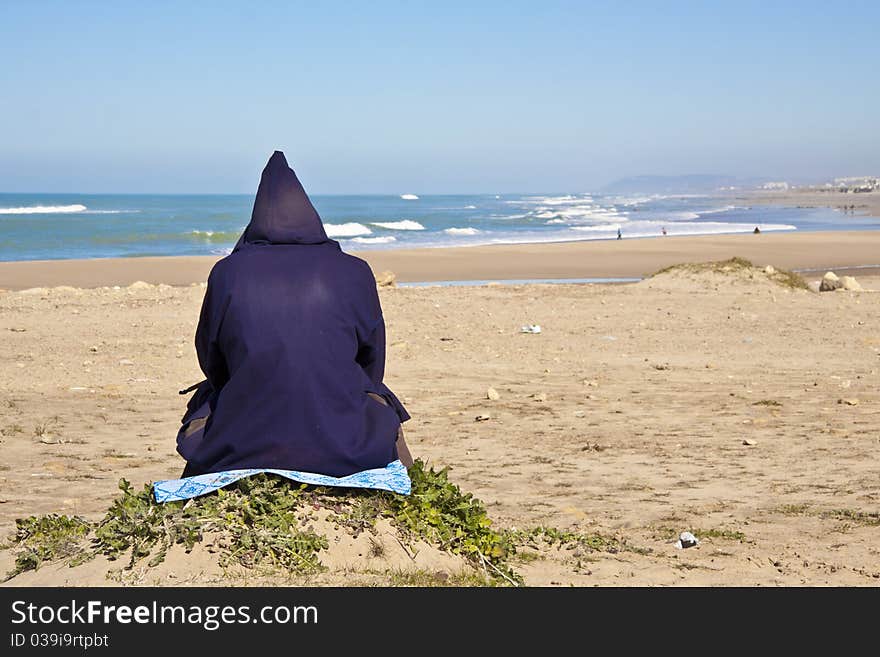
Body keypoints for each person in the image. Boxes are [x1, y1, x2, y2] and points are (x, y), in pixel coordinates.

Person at [176, 151, 413, 478]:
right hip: (347, 443)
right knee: (381, 404)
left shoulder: (227, 273)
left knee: (208, 399)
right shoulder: (354, 271)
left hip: (242, 441)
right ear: (311, 216)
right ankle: (410, 486)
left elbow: (212, 360)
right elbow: (373, 359)